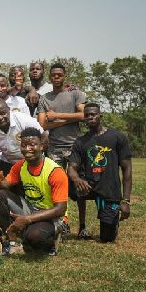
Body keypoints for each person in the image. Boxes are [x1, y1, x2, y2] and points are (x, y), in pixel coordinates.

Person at [0, 127, 69, 255]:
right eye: (24, 145)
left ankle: (53, 237)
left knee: (35, 237)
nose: (27, 149)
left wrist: (27, 219)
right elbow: (4, 185)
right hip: (30, 208)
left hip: (51, 215)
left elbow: (60, 209)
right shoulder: (20, 165)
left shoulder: (55, 171)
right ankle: (12, 240)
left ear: (41, 146)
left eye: (32, 145)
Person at [67, 103, 132, 242]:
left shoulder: (117, 137)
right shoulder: (80, 141)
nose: (90, 117)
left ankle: (110, 219)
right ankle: (81, 226)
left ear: (100, 116)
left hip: (109, 189)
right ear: (83, 118)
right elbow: (71, 168)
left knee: (107, 238)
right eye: (87, 115)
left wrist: (126, 200)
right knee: (70, 182)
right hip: (88, 186)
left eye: (93, 114)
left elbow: (127, 170)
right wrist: (77, 180)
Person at [37, 63, 86, 201]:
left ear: (64, 77)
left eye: (59, 75)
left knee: (78, 187)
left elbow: (83, 115)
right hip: (54, 148)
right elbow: (42, 124)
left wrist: (56, 116)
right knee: (55, 184)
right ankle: (60, 218)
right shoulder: (44, 98)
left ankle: (82, 223)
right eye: (53, 75)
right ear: (50, 77)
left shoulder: (75, 94)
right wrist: (70, 118)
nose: (56, 77)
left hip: (74, 146)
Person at [0, 99, 44, 176]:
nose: (0, 118)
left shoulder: (24, 119)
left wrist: (36, 159)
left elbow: (44, 136)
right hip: (8, 162)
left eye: (3, 113)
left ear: (9, 110)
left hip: (32, 160)